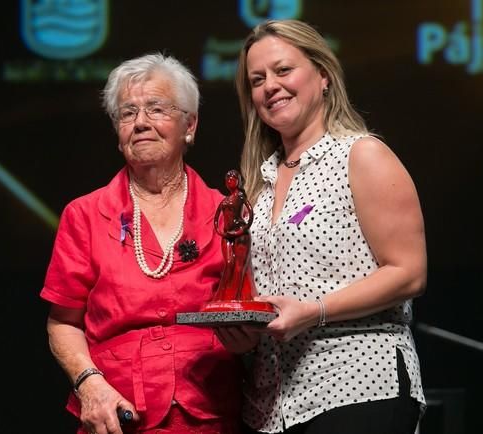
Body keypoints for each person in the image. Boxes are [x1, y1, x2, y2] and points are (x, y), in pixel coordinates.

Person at [216, 19, 427, 434]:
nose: (270, 86)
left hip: (358, 387)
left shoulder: (362, 155)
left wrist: (316, 311)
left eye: (283, 70)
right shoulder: (258, 183)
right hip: (271, 406)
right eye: (257, 80)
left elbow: (409, 273)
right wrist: (245, 334)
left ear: (323, 75)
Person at [41, 53, 243, 434]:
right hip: (116, 416)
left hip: (211, 414)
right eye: (127, 113)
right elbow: (62, 323)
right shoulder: (83, 215)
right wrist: (90, 385)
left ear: (190, 125)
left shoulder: (227, 214)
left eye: (156, 108)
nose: (141, 123)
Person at [213, 170, 254, 301]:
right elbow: (216, 219)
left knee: (239, 267)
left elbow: (250, 213)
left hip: (239, 232)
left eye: (233, 179)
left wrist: (244, 228)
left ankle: (237, 296)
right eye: (228, 179)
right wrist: (219, 231)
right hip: (227, 234)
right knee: (228, 263)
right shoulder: (225, 200)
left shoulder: (240, 195)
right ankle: (222, 296)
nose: (230, 181)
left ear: (238, 181)